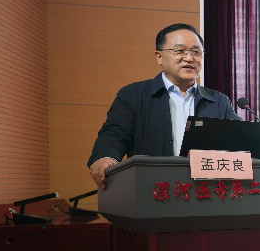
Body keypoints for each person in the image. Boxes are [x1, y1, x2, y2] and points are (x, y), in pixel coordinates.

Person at [87, 24, 241, 190]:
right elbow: (115, 134)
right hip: (154, 190)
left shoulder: (218, 101)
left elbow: (242, 138)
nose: (189, 58)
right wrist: (105, 157)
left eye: (196, 52)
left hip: (206, 192)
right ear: (159, 57)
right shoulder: (134, 95)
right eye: (179, 51)